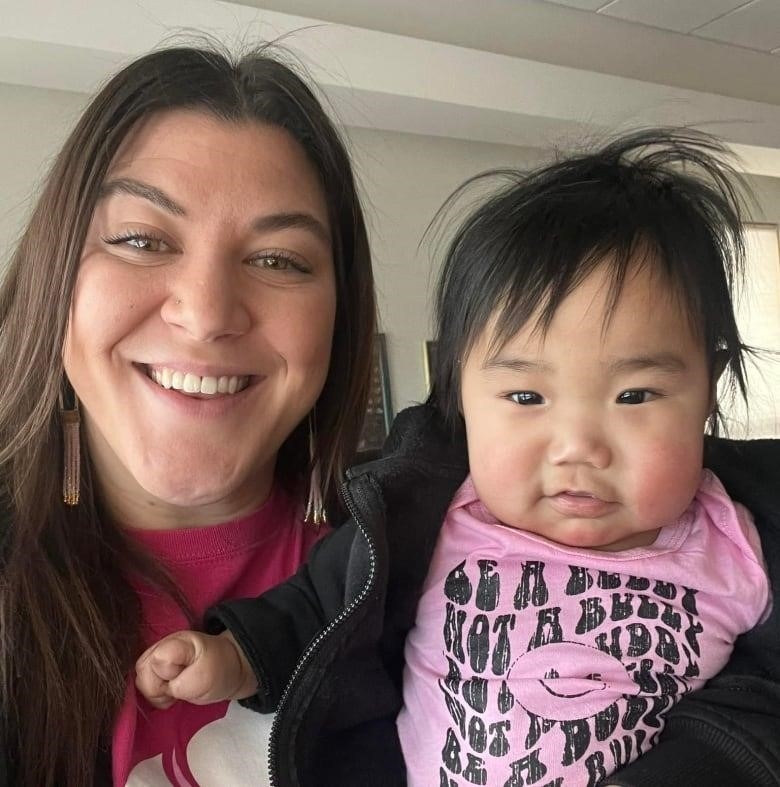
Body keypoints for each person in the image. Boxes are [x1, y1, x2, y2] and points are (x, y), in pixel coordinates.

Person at [136, 133, 780, 786]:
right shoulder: (427, 511)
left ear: (708, 387)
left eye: (634, 394)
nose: (579, 446)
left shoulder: (744, 548)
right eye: (527, 395)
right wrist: (239, 653)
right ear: (462, 393)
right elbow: (319, 602)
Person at [0, 43, 375, 787]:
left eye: (277, 260)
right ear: (56, 282)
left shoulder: (410, 584)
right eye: (142, 239)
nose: (205, 313)